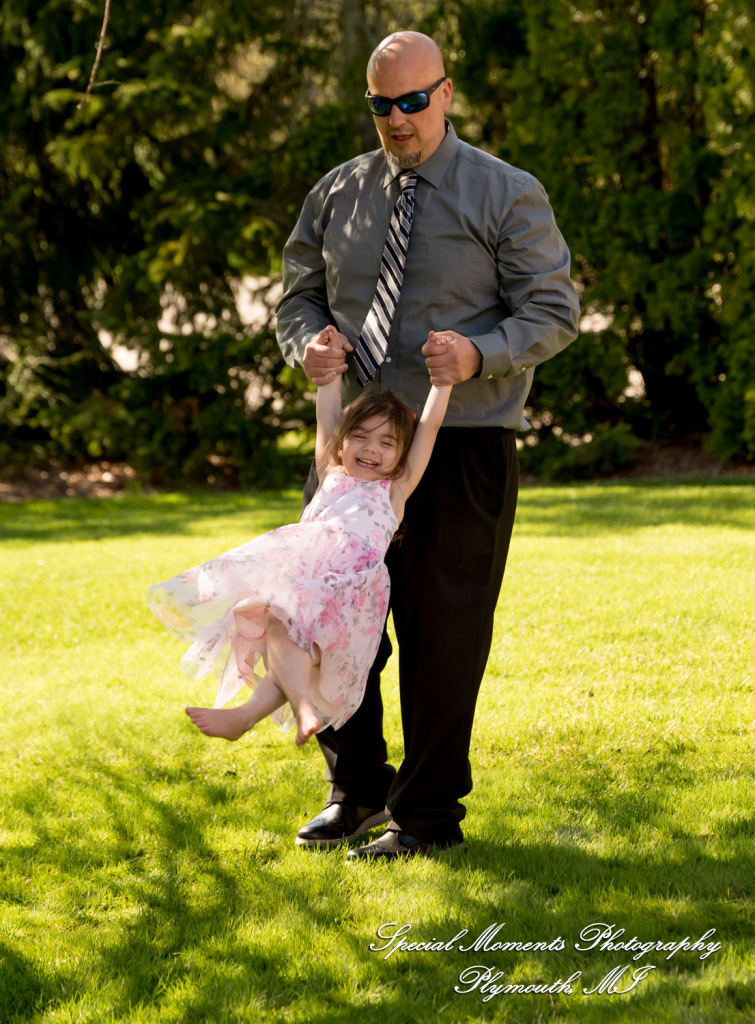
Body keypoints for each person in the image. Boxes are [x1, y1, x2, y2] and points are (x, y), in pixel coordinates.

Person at [276, 32, 581, 859]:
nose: (398, 119)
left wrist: (480, 353)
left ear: (445, 93)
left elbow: (552, 310)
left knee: (442, 637)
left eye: (413, 101)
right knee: (327, 623)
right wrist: (306, 344)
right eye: (382, 105)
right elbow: (298, 295)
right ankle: (355, 791)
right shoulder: (338, 192)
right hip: (352, 456)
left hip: (462, 447)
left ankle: (426, 817)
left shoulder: (506, 192)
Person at [147, 327, 452, 748]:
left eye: (387, 443)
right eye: (360, 437)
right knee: (283, 629)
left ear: (400, 454)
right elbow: (327, 417)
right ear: (343, 442)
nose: (371, 449)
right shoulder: (331, 472)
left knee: (288, 629)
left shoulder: (395, 489)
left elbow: (430, 426)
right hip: (306, 574)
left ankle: (282, 708)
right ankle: (263, 713)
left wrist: (443, 382)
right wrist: (329, 372)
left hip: (351, 586)